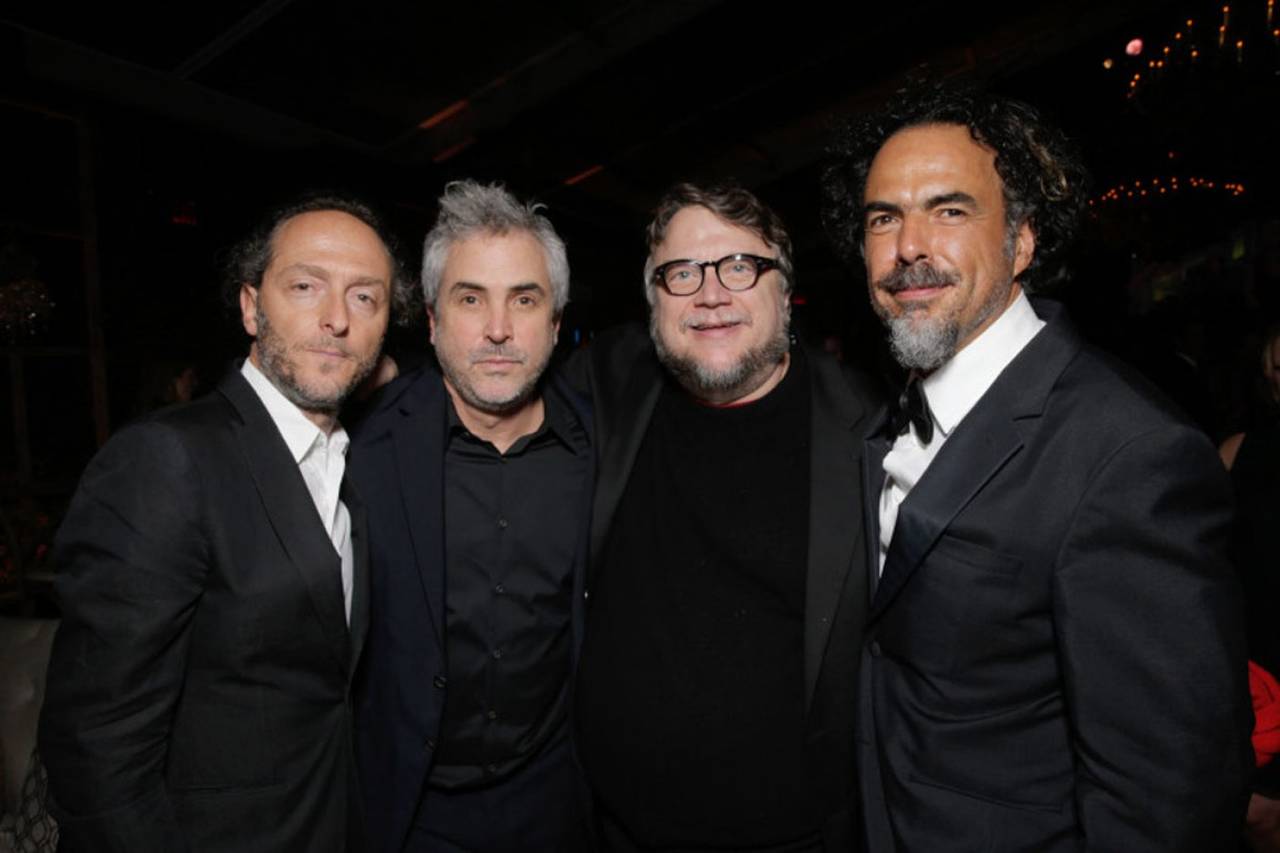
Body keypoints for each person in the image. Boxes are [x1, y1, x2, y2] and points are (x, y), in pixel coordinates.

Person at [821, 82, 1252, 851]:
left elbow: (1170, 801)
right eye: (883, 217)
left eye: (950, 210)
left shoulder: (1128, 452)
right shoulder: (884, 418)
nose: (909, 245)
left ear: (1021, 241)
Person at [38, 192, 408, 851]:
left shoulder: (348, 465)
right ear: (250, 306)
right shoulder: (167, 458)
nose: (336, 319)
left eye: (364, 297)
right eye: (305, 286)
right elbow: (96, 749)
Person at [570, 183, 880, 851]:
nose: (710, 294)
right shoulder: (611, 381)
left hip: (793, 836)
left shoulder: (872, 432)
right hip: (611, 825)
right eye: (682, 273)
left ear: (784, 291)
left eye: (740, 266)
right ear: (653, 302)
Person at [349, 180, 593, 853]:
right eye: (470, 298)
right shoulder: (363, 447)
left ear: (555, 321)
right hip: (407, 811)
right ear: (431, 320)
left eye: (524, 299)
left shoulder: (601, 445)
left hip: (557, 805)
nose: (498, 329)